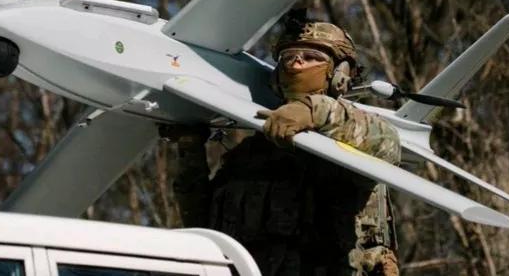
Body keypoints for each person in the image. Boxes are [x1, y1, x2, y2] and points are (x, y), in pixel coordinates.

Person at [164, 19, 401, 275]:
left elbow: (388, 144)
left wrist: (314, 110)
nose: (295, 63)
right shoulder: (249, 155)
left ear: (340, 73)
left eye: (311, 57)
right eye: (288, 57)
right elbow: (204, 227)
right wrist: (190, 150)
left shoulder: (352, 137)